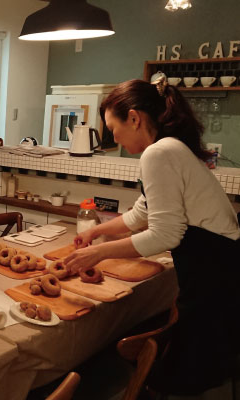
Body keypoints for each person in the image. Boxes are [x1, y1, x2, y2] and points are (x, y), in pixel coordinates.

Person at [64, 78, 240, 395]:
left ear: (134, 118)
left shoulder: (159, 153)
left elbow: (164, 234)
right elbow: (143, 214)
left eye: (112, 127)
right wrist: (97, 230)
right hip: (217, 264)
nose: (112, 136)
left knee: (184, 373)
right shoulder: (167, 149)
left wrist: (99, 254)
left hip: (214, 273)